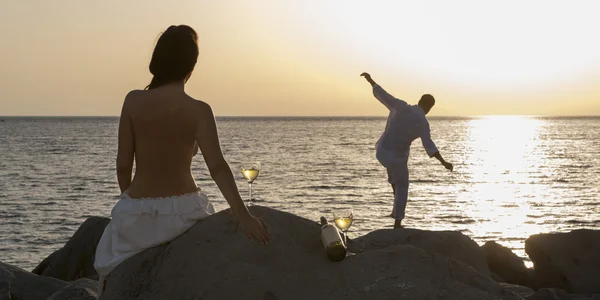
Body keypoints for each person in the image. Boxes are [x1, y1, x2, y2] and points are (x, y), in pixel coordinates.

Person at [94, 25, 270, 295]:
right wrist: (243, 216)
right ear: (192, 65)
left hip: (135, 217)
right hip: (185, 214)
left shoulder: (133, 101)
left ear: (158, 59)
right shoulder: (199, 110)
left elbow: (122, 165)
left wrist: (130, 201)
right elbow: (218, 168)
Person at [360, 72, 453, 228]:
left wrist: (370, 80)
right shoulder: (423, 123)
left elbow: (383, 95)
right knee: (403, 187)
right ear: (429, 108)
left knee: (394, 175)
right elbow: (429, 146)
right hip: (397, 158)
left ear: (418, 101)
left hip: (382, 151)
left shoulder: (400, 106)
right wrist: (444, 162)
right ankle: (398, 221)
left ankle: (394, 197)